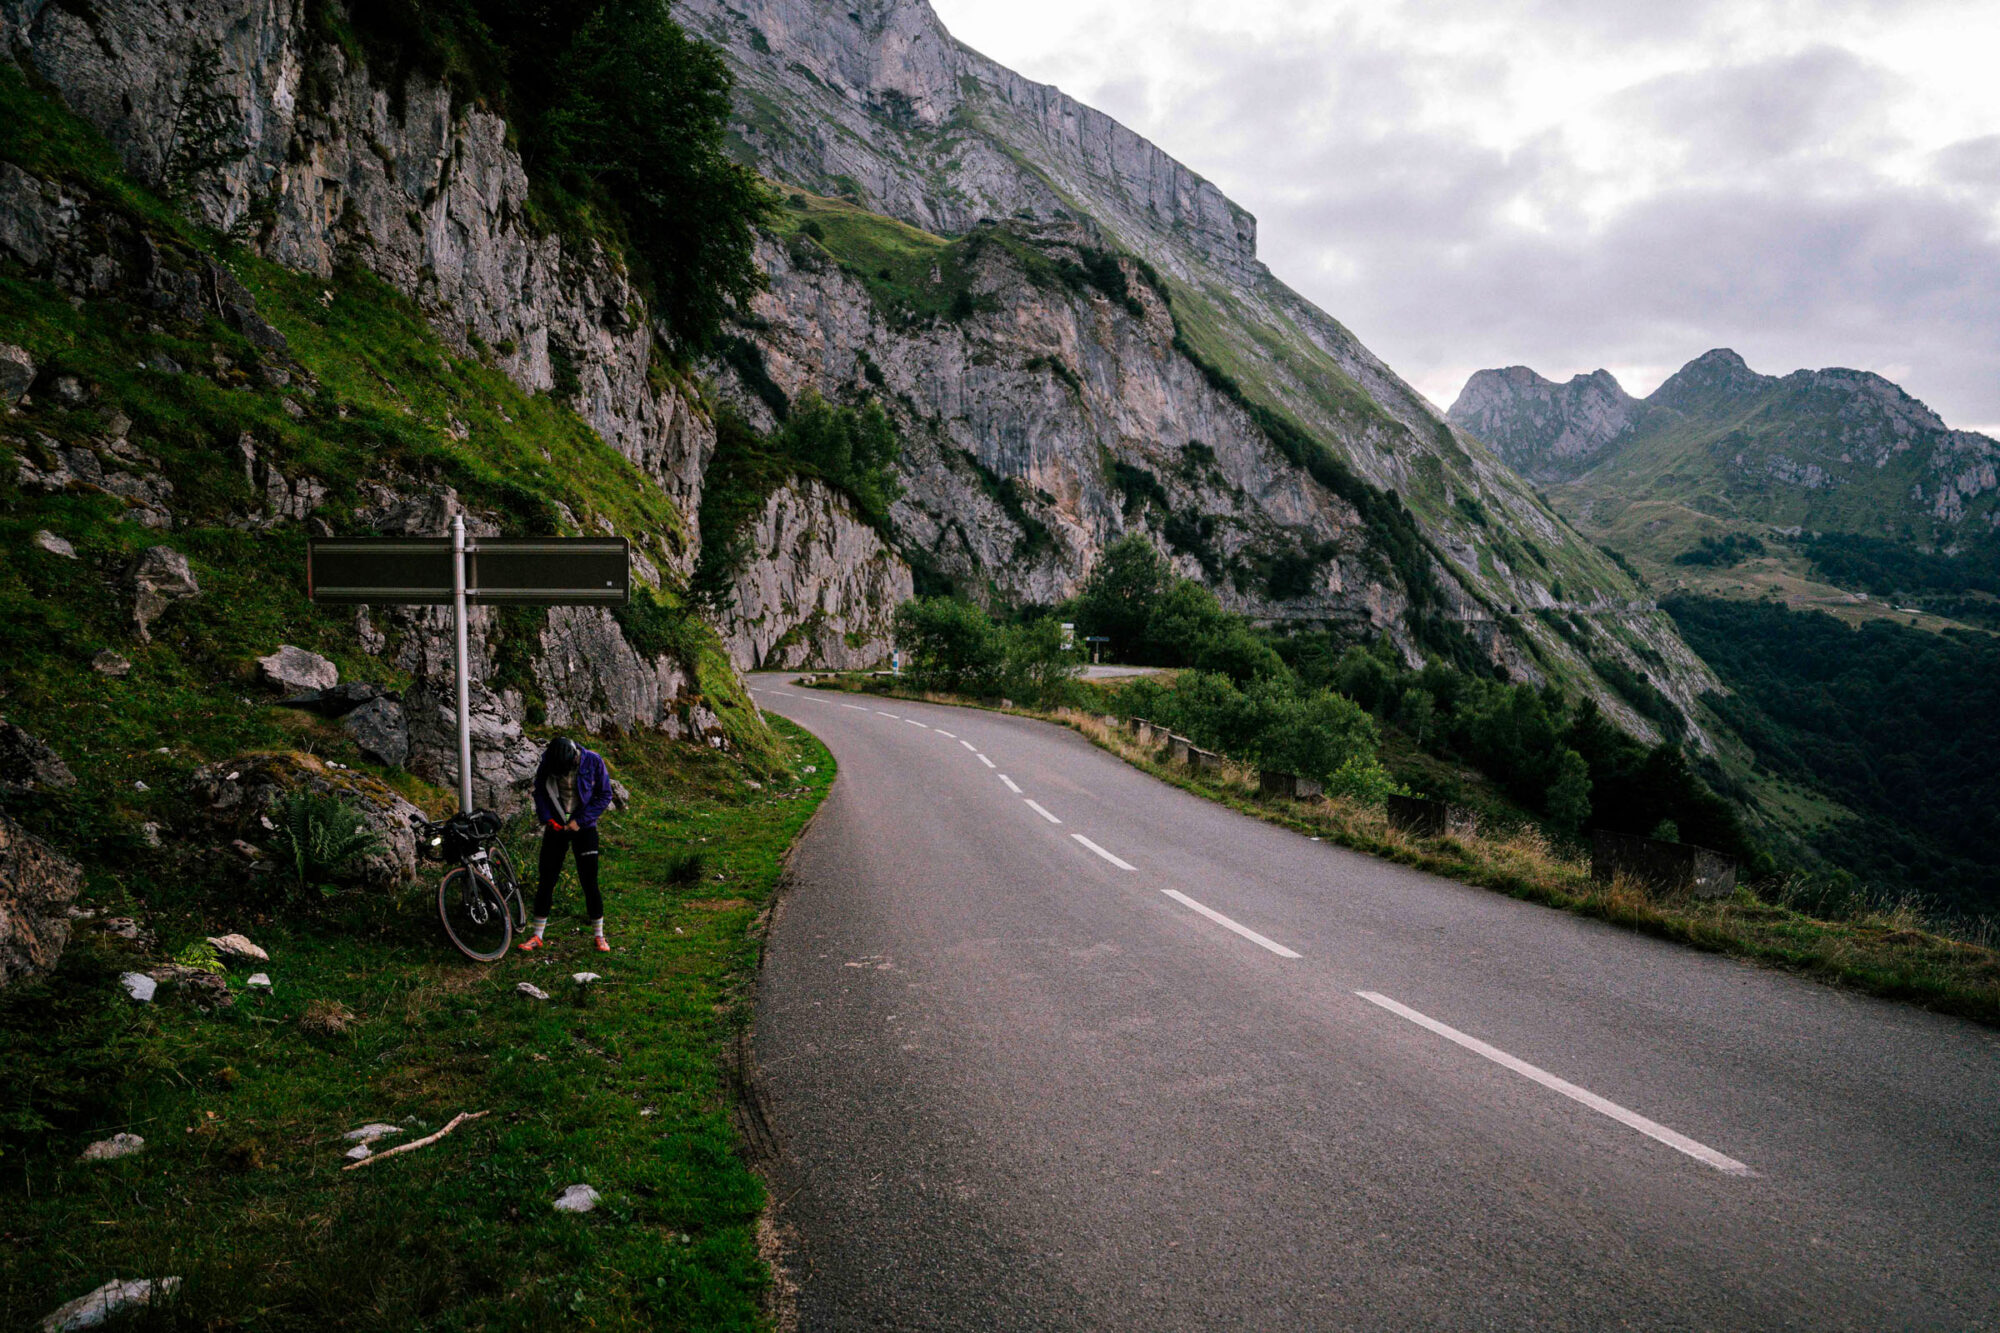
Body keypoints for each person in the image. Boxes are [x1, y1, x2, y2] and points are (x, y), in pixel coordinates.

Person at [518, 735, 614, 952]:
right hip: (557, 826)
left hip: (584, 828)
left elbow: (604, 794)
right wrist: (548, 819)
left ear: (574, 760)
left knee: (589, 881)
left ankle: (599, 936)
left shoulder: (593, 761)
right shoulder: (548, 761)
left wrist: (580, 821)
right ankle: (537, 936)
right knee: (547, 879)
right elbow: (540, 792)